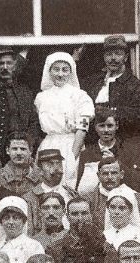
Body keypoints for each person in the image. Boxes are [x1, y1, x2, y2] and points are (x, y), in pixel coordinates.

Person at [34, 52, 95, 189]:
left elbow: (82, 129)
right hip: (48, 145)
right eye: (56, 69)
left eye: (65, 70)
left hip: (70, 145)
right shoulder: (41, 98)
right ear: (49, 71)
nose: (60, 74)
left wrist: (72, 156)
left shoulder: (80, 96)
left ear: (71, 72)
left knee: (67, 183)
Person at [80, 34, 140, 149]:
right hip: (94, 145)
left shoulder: (133, 84)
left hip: (123, 145)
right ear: (104, 57)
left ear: (125, 57)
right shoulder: (92, 82)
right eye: (108, 54)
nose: (113, 58)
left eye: (118, 54)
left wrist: (112, 111)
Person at [76, 107, 140, 196]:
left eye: (110, 126)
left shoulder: (129, 151)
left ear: (117, 126)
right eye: (102, 126)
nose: (106, 130)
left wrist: (118, 163)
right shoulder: (87, 154)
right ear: (95, 127)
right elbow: (78, 185)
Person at [23, 149, 79, 233]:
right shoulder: (29, 199)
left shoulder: (72, 194)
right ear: (40, 171)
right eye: (50, 164)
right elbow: (29, 232)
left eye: (59, 163)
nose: (56, 168)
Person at [89, 156, 140, 231]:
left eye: (114, 173)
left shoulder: (135, 196)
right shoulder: (91, 198)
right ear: (98, 175)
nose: (110, 177)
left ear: (121, 174)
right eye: (105, 173)